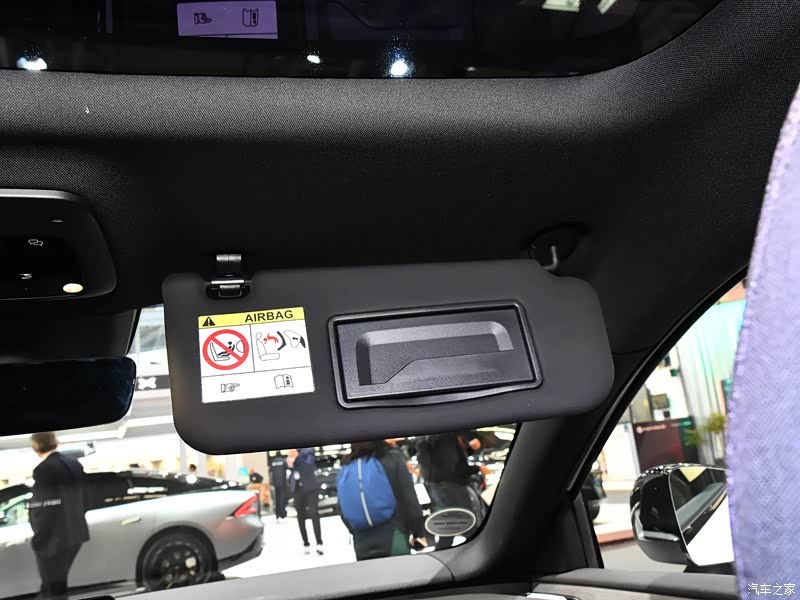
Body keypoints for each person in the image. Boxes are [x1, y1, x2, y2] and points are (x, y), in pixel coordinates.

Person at [337, 441, 426, 561]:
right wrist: (418, 533)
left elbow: (342, 509)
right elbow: (409, 499)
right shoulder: (392, 458)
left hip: (361, 542)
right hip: (394, 534)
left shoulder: (346, 467)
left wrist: (355, 531)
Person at [29, 432, 89, 600]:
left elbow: (44, 507)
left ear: (35, 448)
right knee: (57, 582)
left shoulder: (43, 470)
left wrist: (38, 536)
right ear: (55, 442)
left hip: (52, 538)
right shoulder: (74, 464)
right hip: (76, 533)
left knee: (53, 586)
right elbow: (86, 498)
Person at [415, 432, 486, 549]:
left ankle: (443, 553)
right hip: (452, 487)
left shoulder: (430, 438)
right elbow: (454, 468)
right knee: (468, 524)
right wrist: (478, 468)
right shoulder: (447, 438)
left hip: (436, 486)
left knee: (447, 527)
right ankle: (477, 551)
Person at [290, 447, 323, 555]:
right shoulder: (292, 452)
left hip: (310, 487)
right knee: (300, 516)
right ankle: (306, 543)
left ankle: (319, 543)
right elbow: (293, 467)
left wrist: (296, 457)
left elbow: (308, 464)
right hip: (297, 489)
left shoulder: (308, 450)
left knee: (314, 514)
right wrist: (290, 463)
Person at [269, 451, 289, 521]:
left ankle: (277, 514)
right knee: (282, 498)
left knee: (277, 498)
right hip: (282, 482)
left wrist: (271, 482)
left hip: (275, 483)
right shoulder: (283, 461)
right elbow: (288, 469)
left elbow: (270, 472)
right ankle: (282, 513)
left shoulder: (273, 462)